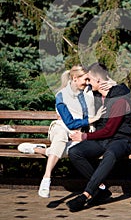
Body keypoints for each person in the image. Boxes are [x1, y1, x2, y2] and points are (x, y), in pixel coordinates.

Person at [18, 65, 107, 198]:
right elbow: (69, 123)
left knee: (67, 151)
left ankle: (39, 150)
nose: (88, 83)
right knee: (60, 136)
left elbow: (104, 85)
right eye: (85, 79)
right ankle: (47, 177)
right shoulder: (61, 96)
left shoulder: (89, 90)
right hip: (61, 127)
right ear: (75, 78)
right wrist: (92, 119)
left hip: (77, 134)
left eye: (89, 80)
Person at [65, 62, 131, 212]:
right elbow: (72, 93)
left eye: (89, 80)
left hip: (122, 139)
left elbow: (110, 130)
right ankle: (102, 190)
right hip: (104, 139)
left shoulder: (120, 99)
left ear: (98, 81)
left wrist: (84, 136)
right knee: (75, 152)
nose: (87, 83)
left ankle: (86, 194)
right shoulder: (96, 95)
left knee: (111, 153)